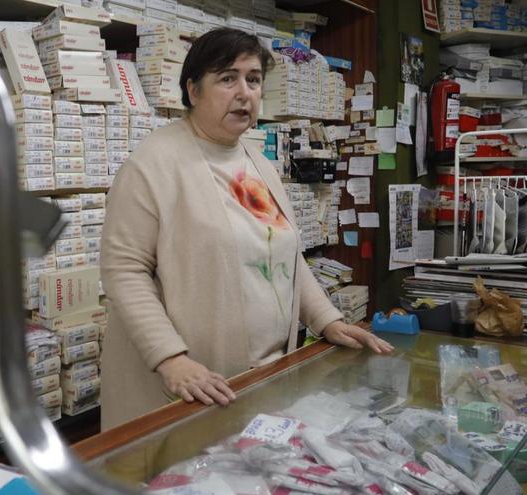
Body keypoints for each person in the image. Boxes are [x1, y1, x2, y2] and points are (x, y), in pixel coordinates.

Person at [99, 28, 394, 431]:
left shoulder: (258, 163)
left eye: (253, 80)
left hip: (263, 378)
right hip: (184, 386)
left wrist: (327, 319)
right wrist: (170, 358)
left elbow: (284, 255)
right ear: (193, 90)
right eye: (227, 78)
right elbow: (124, 272)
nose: (244, 92)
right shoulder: (153, 164)